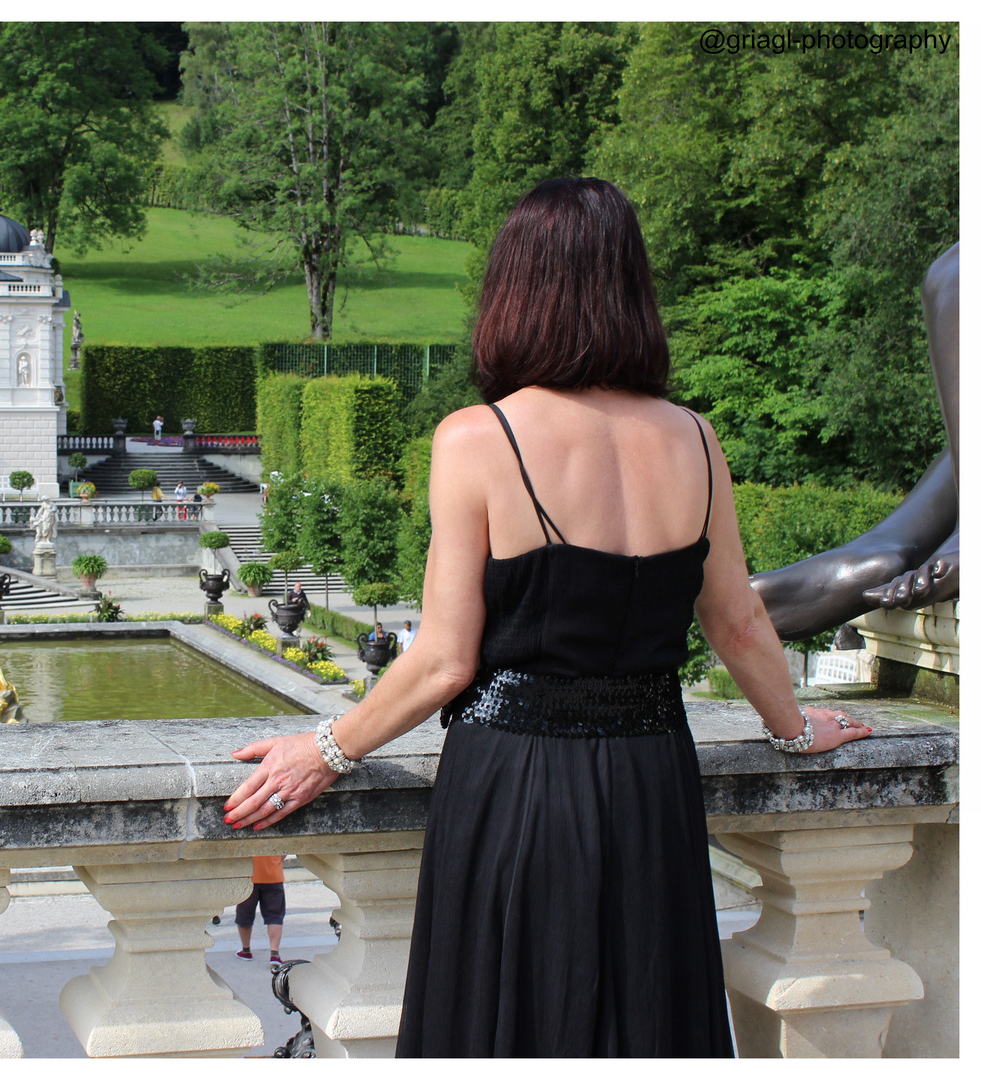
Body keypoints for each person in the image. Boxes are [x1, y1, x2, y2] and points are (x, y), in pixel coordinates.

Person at [221, 177, 871, 1058]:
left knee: (507, 1019)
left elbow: (446, 661)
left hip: (514, 779)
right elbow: (739, 623)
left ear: (515, 289)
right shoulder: (695, 439)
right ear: (630, 289)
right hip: (652, 777)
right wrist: (795, 731)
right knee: (645, 1013)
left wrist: (323, 749)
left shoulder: (476, 439)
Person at [233, 855, 286, 963]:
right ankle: (274, 954)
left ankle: (246, 950)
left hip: (247, 875)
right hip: (273, 874)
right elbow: (284, 848)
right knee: (275, 916)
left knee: (244, 914)